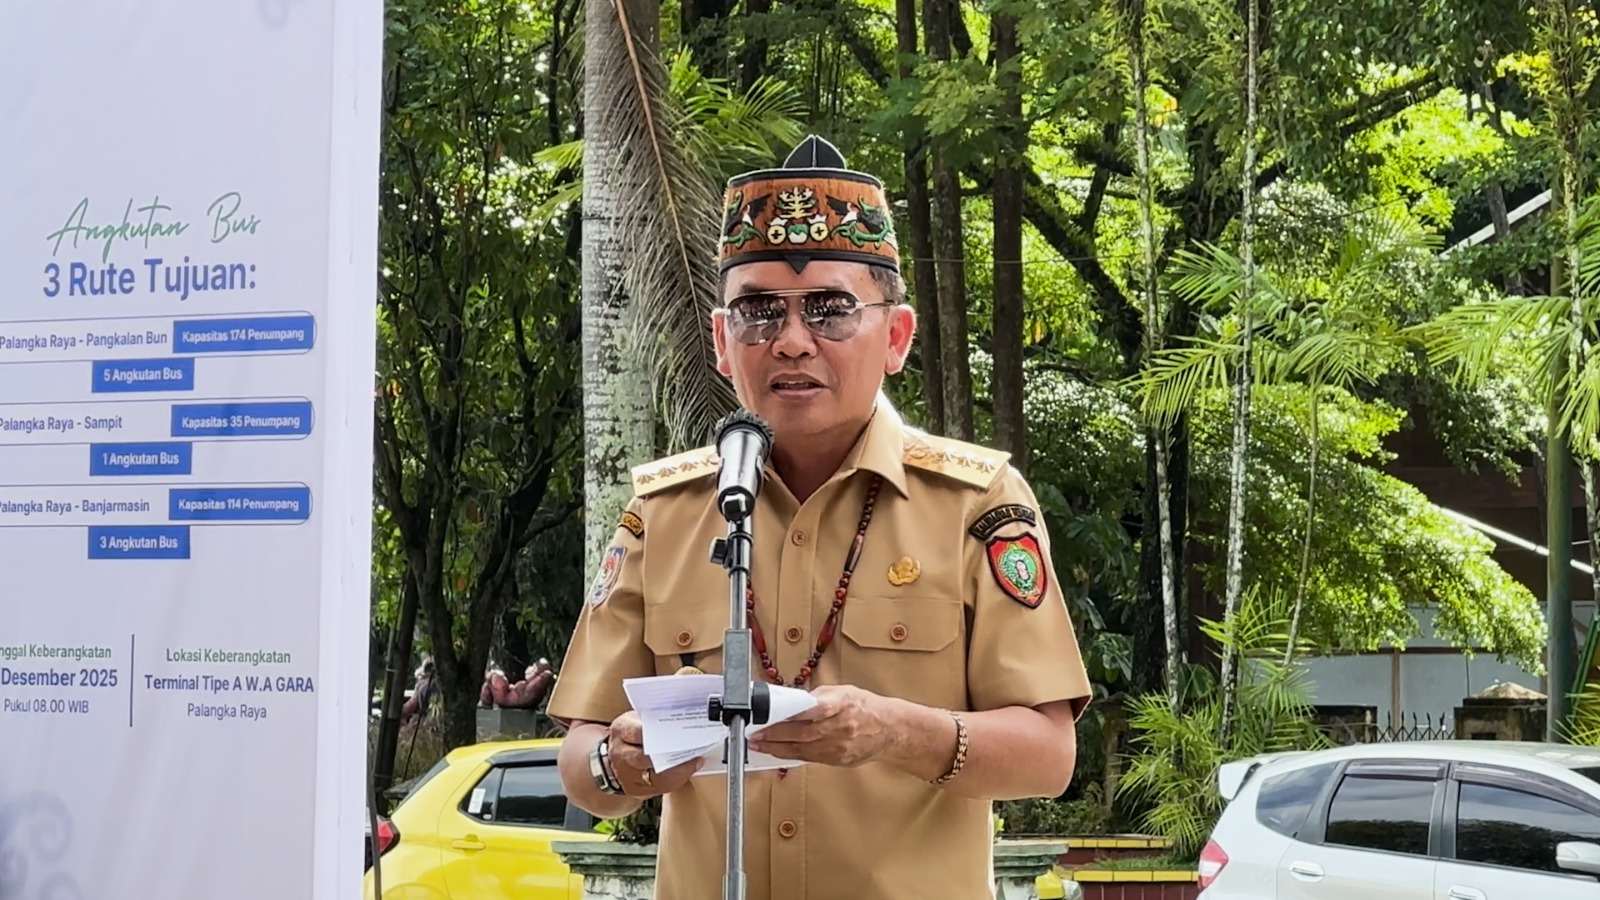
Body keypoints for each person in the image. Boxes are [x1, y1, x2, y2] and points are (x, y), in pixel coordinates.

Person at [550, 135, 1091, 900]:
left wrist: (894, 731)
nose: (793, 342)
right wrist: (620, 762)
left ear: (896, 337)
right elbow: (581, 757)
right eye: (759, 312)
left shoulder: (976, 504)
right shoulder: (666, 514)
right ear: (721, 341)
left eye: (832, 311)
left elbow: (1049, 754)